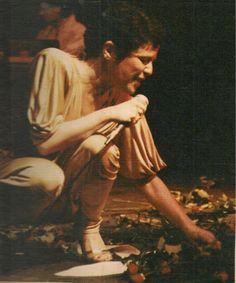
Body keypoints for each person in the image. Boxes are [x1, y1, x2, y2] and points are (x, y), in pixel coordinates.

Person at [0, 2, 220, 262]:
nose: (150, 70)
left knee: (100, 149)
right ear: (109, 50)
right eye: (144, 59)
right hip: (19, 190)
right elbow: (45, 142)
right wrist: (108, 114)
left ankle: (88, 229)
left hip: (60, 201)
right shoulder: (56, 63)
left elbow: (144, 177)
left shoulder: (120, 99)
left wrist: (189, 228)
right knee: (46, 176)